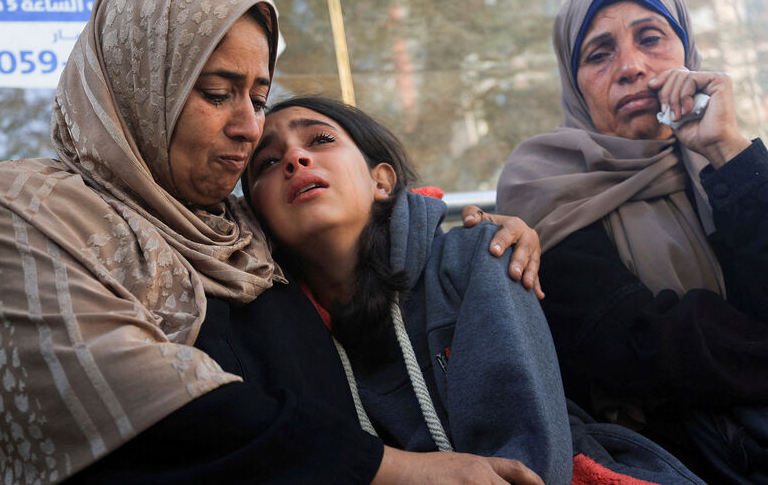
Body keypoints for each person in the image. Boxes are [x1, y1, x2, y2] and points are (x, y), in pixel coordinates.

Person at [0, 0, 544, 483]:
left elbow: (363, 252)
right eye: (218, 93)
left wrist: (473, 240)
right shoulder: (20, 204)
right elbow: (109, 393)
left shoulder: (243, 230)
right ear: (139, 88)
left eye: (257, 98)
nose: (250, 129)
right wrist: (398, 471)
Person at [242, 95, 711, 485]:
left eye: (319, 140)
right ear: (257, 217)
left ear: (380, 181)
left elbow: (527, 462)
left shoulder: (478, 254)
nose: (294, 158)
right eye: (266, 161)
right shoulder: (274, 329)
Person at [496, 0, 768, 483]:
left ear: (687, 51)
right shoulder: (542, 185)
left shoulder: (726, 166)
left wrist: (728, 148)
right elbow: (645, 349)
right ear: (573, 81)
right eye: (599, 54)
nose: (630, 67)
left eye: (651, 39)